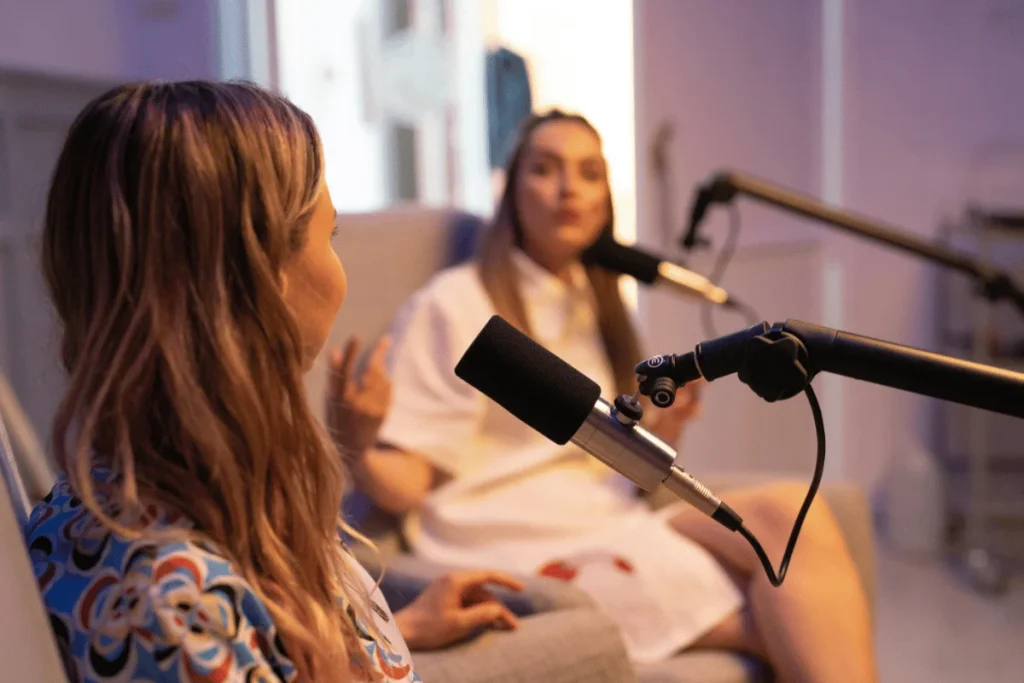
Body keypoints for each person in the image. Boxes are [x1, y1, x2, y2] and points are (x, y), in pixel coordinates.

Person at [342, 110, 879, 682]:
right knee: (791, 614)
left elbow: (611, 455)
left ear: (605, 201)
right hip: (507, 533)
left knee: (792, 516)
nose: (569, 189)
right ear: (511, 193)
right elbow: (405, 488)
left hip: (607, 513)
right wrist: (358, 437)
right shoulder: (453, 304)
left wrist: (662, 431)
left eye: (589, 173)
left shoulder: (600, 305)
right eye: (545, 169)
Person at [24, 81, 525, 683]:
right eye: (330, 235)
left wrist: (388, 630)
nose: (340, 273)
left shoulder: (110, 500)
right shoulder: (175, 602)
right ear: (264, 274)